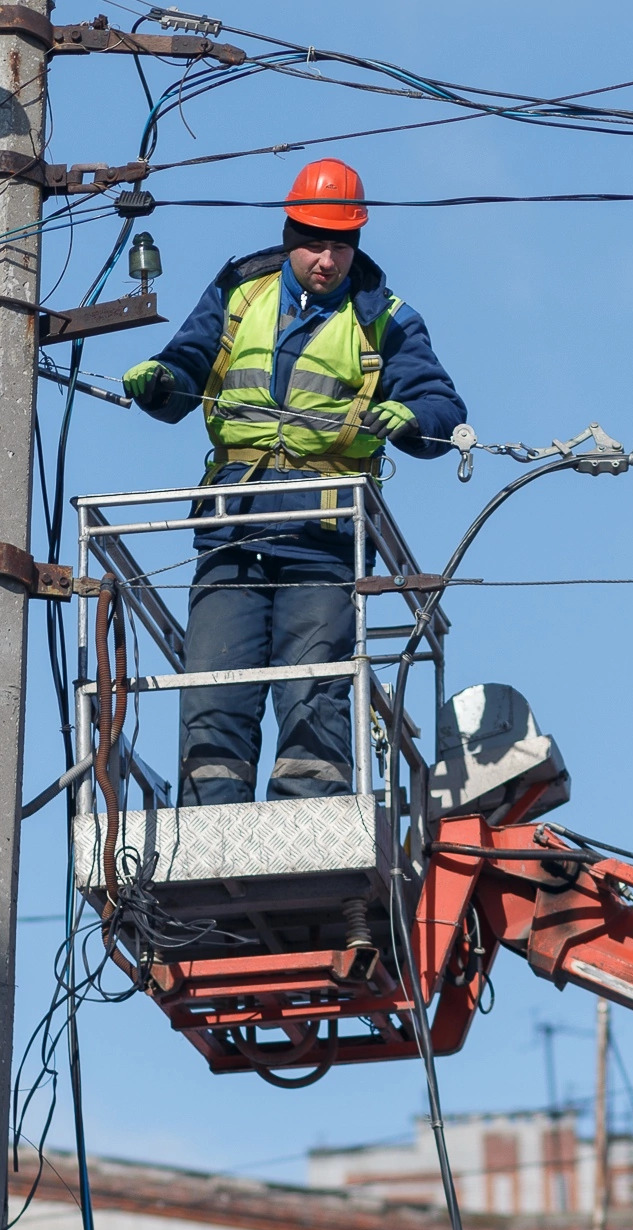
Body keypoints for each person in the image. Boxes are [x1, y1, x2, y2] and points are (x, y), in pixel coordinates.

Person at [121, 158, 467, 807]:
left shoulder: (384, 319)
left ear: (355, 243)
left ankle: (309, 823)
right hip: (233, 526)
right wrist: (160, 380)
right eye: (313, 240)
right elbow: (188, 362)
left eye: (339, 243)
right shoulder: (239, 294)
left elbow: (441, 407)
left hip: (324, 536)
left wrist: (413, 418)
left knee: (314, 696)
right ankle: (209, 820)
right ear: (288, 233)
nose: (326, 259)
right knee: (214, 685)